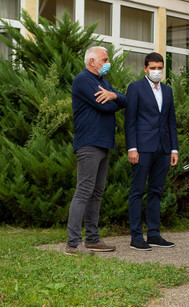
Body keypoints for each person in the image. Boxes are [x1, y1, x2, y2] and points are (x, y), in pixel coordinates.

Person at [65, 46, 127, 255]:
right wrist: (114, 99)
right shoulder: (83, 80)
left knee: (96, 192)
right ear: (92, 61)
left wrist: (113, 96)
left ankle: (92, 239)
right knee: (84, 190)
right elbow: (105, 106)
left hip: (103, 144)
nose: (108, 62)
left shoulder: (103, 82)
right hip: (89, 144)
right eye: (105, 59)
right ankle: (73, 244)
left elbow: (123, 100)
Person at [125, 52, 178, 251]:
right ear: (145, 69)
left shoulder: (168, 90)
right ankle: (136, 236)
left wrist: (174, 149)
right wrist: (132, 147)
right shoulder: (135, 88)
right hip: (142, 148)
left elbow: (171, 121)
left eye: (160, 68)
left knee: (156, 191)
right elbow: (129, 121)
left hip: (163, 148)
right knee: (137, 191)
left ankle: (154, 234)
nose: (157, 71)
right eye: (153, 68)